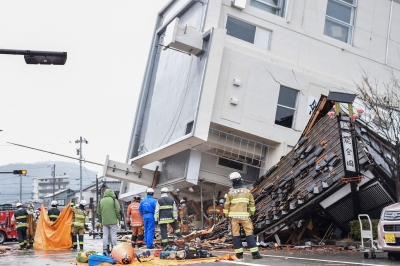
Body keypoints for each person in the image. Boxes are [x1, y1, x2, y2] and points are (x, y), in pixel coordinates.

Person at [224, 172, 262, 260]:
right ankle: (255, 254)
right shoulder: (247, 190)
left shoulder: (229, 191)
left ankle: (239, 255)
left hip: (234, 217)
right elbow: (252, 203)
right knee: (249, 233)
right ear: (240, 179)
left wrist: (226, 215)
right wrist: (251, 213)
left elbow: (226, 204)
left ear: (232, 181)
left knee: (236, 235)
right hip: (245, 216)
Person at [97, 189, 121, 253]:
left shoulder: (101, 201)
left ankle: (105, 249)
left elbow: (98, 212)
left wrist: (100, 221)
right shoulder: (114, 200)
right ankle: (114, 248)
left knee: (105, 235)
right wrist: (119, 219)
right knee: (113, 234)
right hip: (113, 222)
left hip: (104, 222)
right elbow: (118, 210)